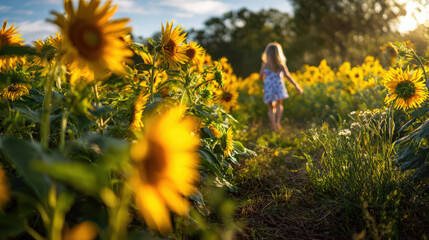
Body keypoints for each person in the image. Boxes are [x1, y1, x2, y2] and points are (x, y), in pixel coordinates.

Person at [259, 42, 303, 131]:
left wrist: (266, 79)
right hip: (278, 88)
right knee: (279, 105)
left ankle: (273, 125)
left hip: (269, 88)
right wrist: (296, 86)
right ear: (278, 53)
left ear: (267, 53)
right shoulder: (281, 65)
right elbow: (288, 76)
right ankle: (278, 122)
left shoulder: (265, 64)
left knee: (270, 107)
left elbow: (260, 77)